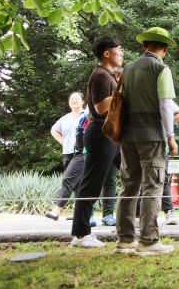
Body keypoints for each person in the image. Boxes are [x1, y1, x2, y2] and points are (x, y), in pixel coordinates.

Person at [113, 27, 179, 255]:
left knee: (128, 186)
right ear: (166, 49)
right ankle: (149, 240)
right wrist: (171, 137)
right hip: (152, 137)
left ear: (144, 46)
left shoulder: (127, 68)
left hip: (127, 136)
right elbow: (165, 106)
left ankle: (124, 239)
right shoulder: (162, 69)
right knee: (153, 186)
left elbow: (119, 101)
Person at [70, 36, 123, 249]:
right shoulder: (100, 75)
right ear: (107, 54)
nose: (122, 54)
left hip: (111, 134)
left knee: (131, 174)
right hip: (101, 133)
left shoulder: (108, 75)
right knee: (91, 182)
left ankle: (131, 224)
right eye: (119, 51)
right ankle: (81, 235)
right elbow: (101, 107)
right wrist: (124, 91)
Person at [46, 92, 88, 221]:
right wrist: (63, 141)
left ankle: (57, 210)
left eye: (77, 99)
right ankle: (80, 214)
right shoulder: (66, 118)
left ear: (83, 102)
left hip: (82, 153)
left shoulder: (87, 115)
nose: (74, 101)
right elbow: (54, 130)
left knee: (68, 180)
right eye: (71, 99)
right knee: (77, 184)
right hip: (67, 153)